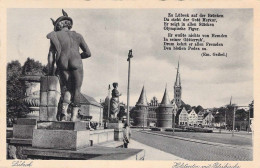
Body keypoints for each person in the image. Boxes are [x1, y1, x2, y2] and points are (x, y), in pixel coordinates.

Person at [47, 9, 91, 121]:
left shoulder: (54, 35)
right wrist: (77, 56)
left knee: (66, 88)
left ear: (58, 25)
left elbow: (51, 55)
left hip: (62, 62)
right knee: (76, 89)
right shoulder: (78, 36)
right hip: (76, 62)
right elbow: (88, 53)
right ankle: (74, 117)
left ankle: (63, 113)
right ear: (69, 24)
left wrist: (50, 72)